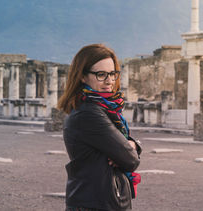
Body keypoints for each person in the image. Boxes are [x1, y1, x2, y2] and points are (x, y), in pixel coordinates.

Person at [58, 43, 142, 211]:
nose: (109, 81)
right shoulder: (89, 113)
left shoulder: (102, 108)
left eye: (112, 74)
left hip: (96, 200)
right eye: (101, 74)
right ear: (82, 76)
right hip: (96, 203)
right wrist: (130, 148)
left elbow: (126, 152)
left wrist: (132, 145)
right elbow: (130, 160)